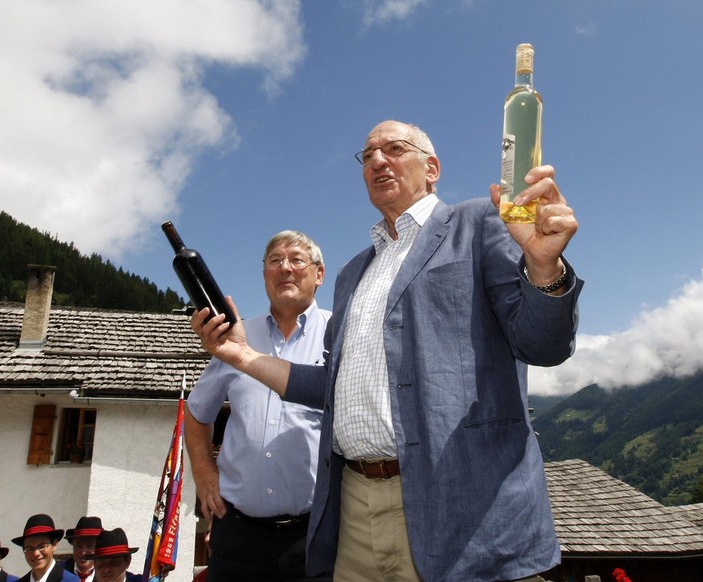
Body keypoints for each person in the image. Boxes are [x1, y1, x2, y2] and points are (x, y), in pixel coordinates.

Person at [192, 120, 582, 581]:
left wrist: (544, 268)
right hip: (355, 508)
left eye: (394, 148)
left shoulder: (479, 222)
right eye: (368, 154)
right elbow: (332, 390)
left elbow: (543, 344)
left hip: (461, 504)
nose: (377, 159)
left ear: (431, 168)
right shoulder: (352, 273)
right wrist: (242, 357)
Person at [185, 230, 332, 580]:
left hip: (314, 534)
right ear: (263, 272)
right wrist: (205, 474)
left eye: (296, 259)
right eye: (274, 261)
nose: (285, 268)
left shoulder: (338, 331)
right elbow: (196, 413)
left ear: (319, 273)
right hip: (238, 534)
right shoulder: (235, 336)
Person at [11, 514, 79, 582]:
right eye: (30, 548)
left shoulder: (70, 580)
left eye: (42, 546)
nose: (36, 553)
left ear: (54, 545)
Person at [61, 516, 103, 581]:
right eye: (78, 546)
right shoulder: (60, 571)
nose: (83, 552)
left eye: (90, 546)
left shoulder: (108, 574)